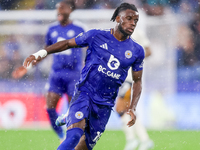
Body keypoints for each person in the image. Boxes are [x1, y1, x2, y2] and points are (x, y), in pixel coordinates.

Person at [23, 3, 145, 150]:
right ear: (118, 18)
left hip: (105, 105)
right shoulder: (96, 35)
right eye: (129, 18)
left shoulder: (137, 51)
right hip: (85, 93)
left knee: (83, 148)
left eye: (135, 21)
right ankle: (71, 115)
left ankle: (69, 116)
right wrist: (40, 53)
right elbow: (68, 43)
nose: (133, 23)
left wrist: (133, 107)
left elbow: (138, 81)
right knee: (74, 136)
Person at [12, 0, 86, 143]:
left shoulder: (80, 28)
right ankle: (61, 135)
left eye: (62, 8)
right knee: (50, 107)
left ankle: (75, 138)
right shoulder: (52, 29)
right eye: (57, 8)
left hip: (73, 74)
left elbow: (90, 49)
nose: (59, 11)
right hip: (56, 74)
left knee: (74, 110)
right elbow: (45, 51)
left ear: (70, 10)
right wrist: (26, 67)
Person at [116, 29, 154, 150]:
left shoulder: (137, 33)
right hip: (122, 78)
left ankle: (132, 139)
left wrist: (135, 59)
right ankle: (144, 140)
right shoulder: (117, 34)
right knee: (129, 110)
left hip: (130, 78)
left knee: (120, 108)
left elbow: (149, 51)